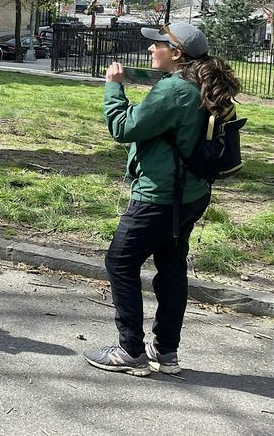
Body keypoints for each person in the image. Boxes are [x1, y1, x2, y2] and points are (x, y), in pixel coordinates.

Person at [85, 21, 241, 377]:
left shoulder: (175, 90)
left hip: (158, 197)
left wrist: (113, 89)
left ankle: (130, 350)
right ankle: (166, 352)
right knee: (171, 268)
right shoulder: (203, 84)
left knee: (120, 263)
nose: (150, 49)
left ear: (177, 53)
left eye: (157, 44)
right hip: (191, 195)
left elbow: (124, 128)